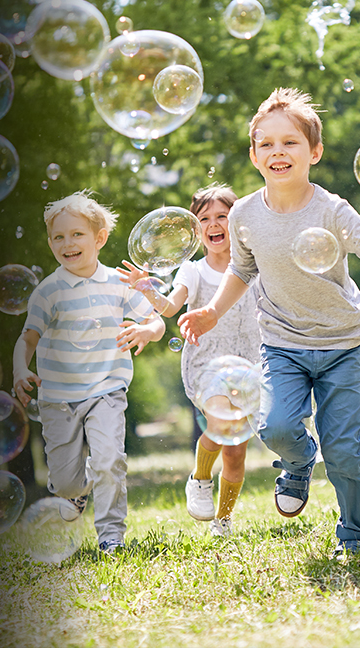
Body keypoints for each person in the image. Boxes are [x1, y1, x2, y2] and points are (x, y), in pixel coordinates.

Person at [179, 88, 360, 556]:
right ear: (254, 155)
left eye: (290, 142)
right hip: (281, 343)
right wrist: (212, 311)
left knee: (343, 450)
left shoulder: (331, 209)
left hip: (340, 342)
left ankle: (356, 536)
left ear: (313, 151)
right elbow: (241, 269)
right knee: (274, 427)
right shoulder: (244, 214)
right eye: (267, 144)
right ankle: (297, 463)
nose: (278, 151)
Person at [12, 190, 166, 553]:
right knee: (65, 481)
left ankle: (111, 536)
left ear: (99, 239)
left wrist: (147, 330)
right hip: (58, 399)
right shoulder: (48, 292)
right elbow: (27, 337)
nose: (67, 243)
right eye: (58, 237)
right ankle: (76, 494)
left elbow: (155, 320)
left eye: (76, 234)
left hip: (106, 391)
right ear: (50, 242)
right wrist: (20, 368)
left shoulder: (118, 283)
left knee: (110, 460)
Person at [118, 184, 262, 538]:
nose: (214, 225)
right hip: (207, 362)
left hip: (250, 363)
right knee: (219, 425)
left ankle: (223, 520)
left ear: (238, 222)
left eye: (222, 217)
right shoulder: (192, 272)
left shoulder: (256, 265)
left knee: (236, 453)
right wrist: (147, 289)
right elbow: (169, 307)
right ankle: (200, 479)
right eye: (205, 219)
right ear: (197, 231)